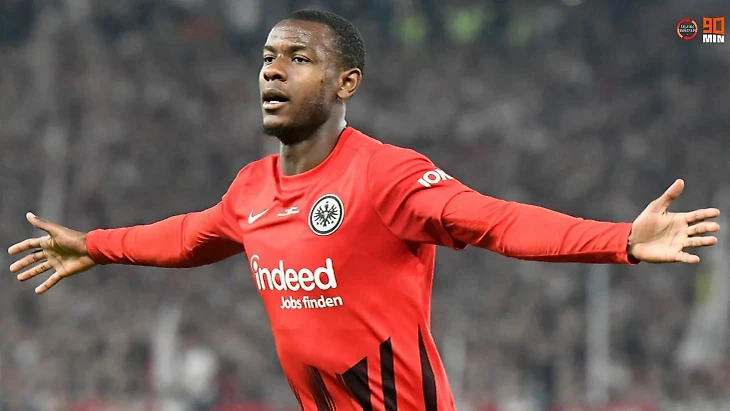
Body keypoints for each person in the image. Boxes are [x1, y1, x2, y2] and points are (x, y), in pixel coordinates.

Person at [7, 9, 721, 411]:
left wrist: (621, 239)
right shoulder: (250, 189)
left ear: (346, 82)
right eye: (267, 57)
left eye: (298, 58)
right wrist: (94, 245)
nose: (273, 69)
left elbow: (498, 221)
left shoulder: (385, 175)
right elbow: (189, 236)